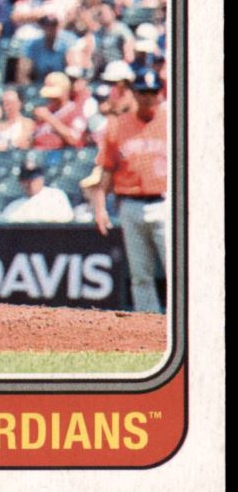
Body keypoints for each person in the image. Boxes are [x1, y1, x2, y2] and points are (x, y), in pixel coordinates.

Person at [92, 67, 167, 313]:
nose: (148, 97)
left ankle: (184, 322)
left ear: (159, 93)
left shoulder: (173, 122)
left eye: (153, 92)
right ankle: (148, 322)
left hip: (165, 203)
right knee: (140, 274)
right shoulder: (118, 126)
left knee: (177, 270)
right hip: (130, 204)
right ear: (134, 93)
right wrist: (100, 207)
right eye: (143, 92)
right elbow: (107, 169)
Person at [2, 162, 74, 222]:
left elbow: (66, 222)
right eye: (26, 179)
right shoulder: (13, 207)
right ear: (21, 182)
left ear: (41, 179)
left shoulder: (56, 196)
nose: (30, 183)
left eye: (34, 178)